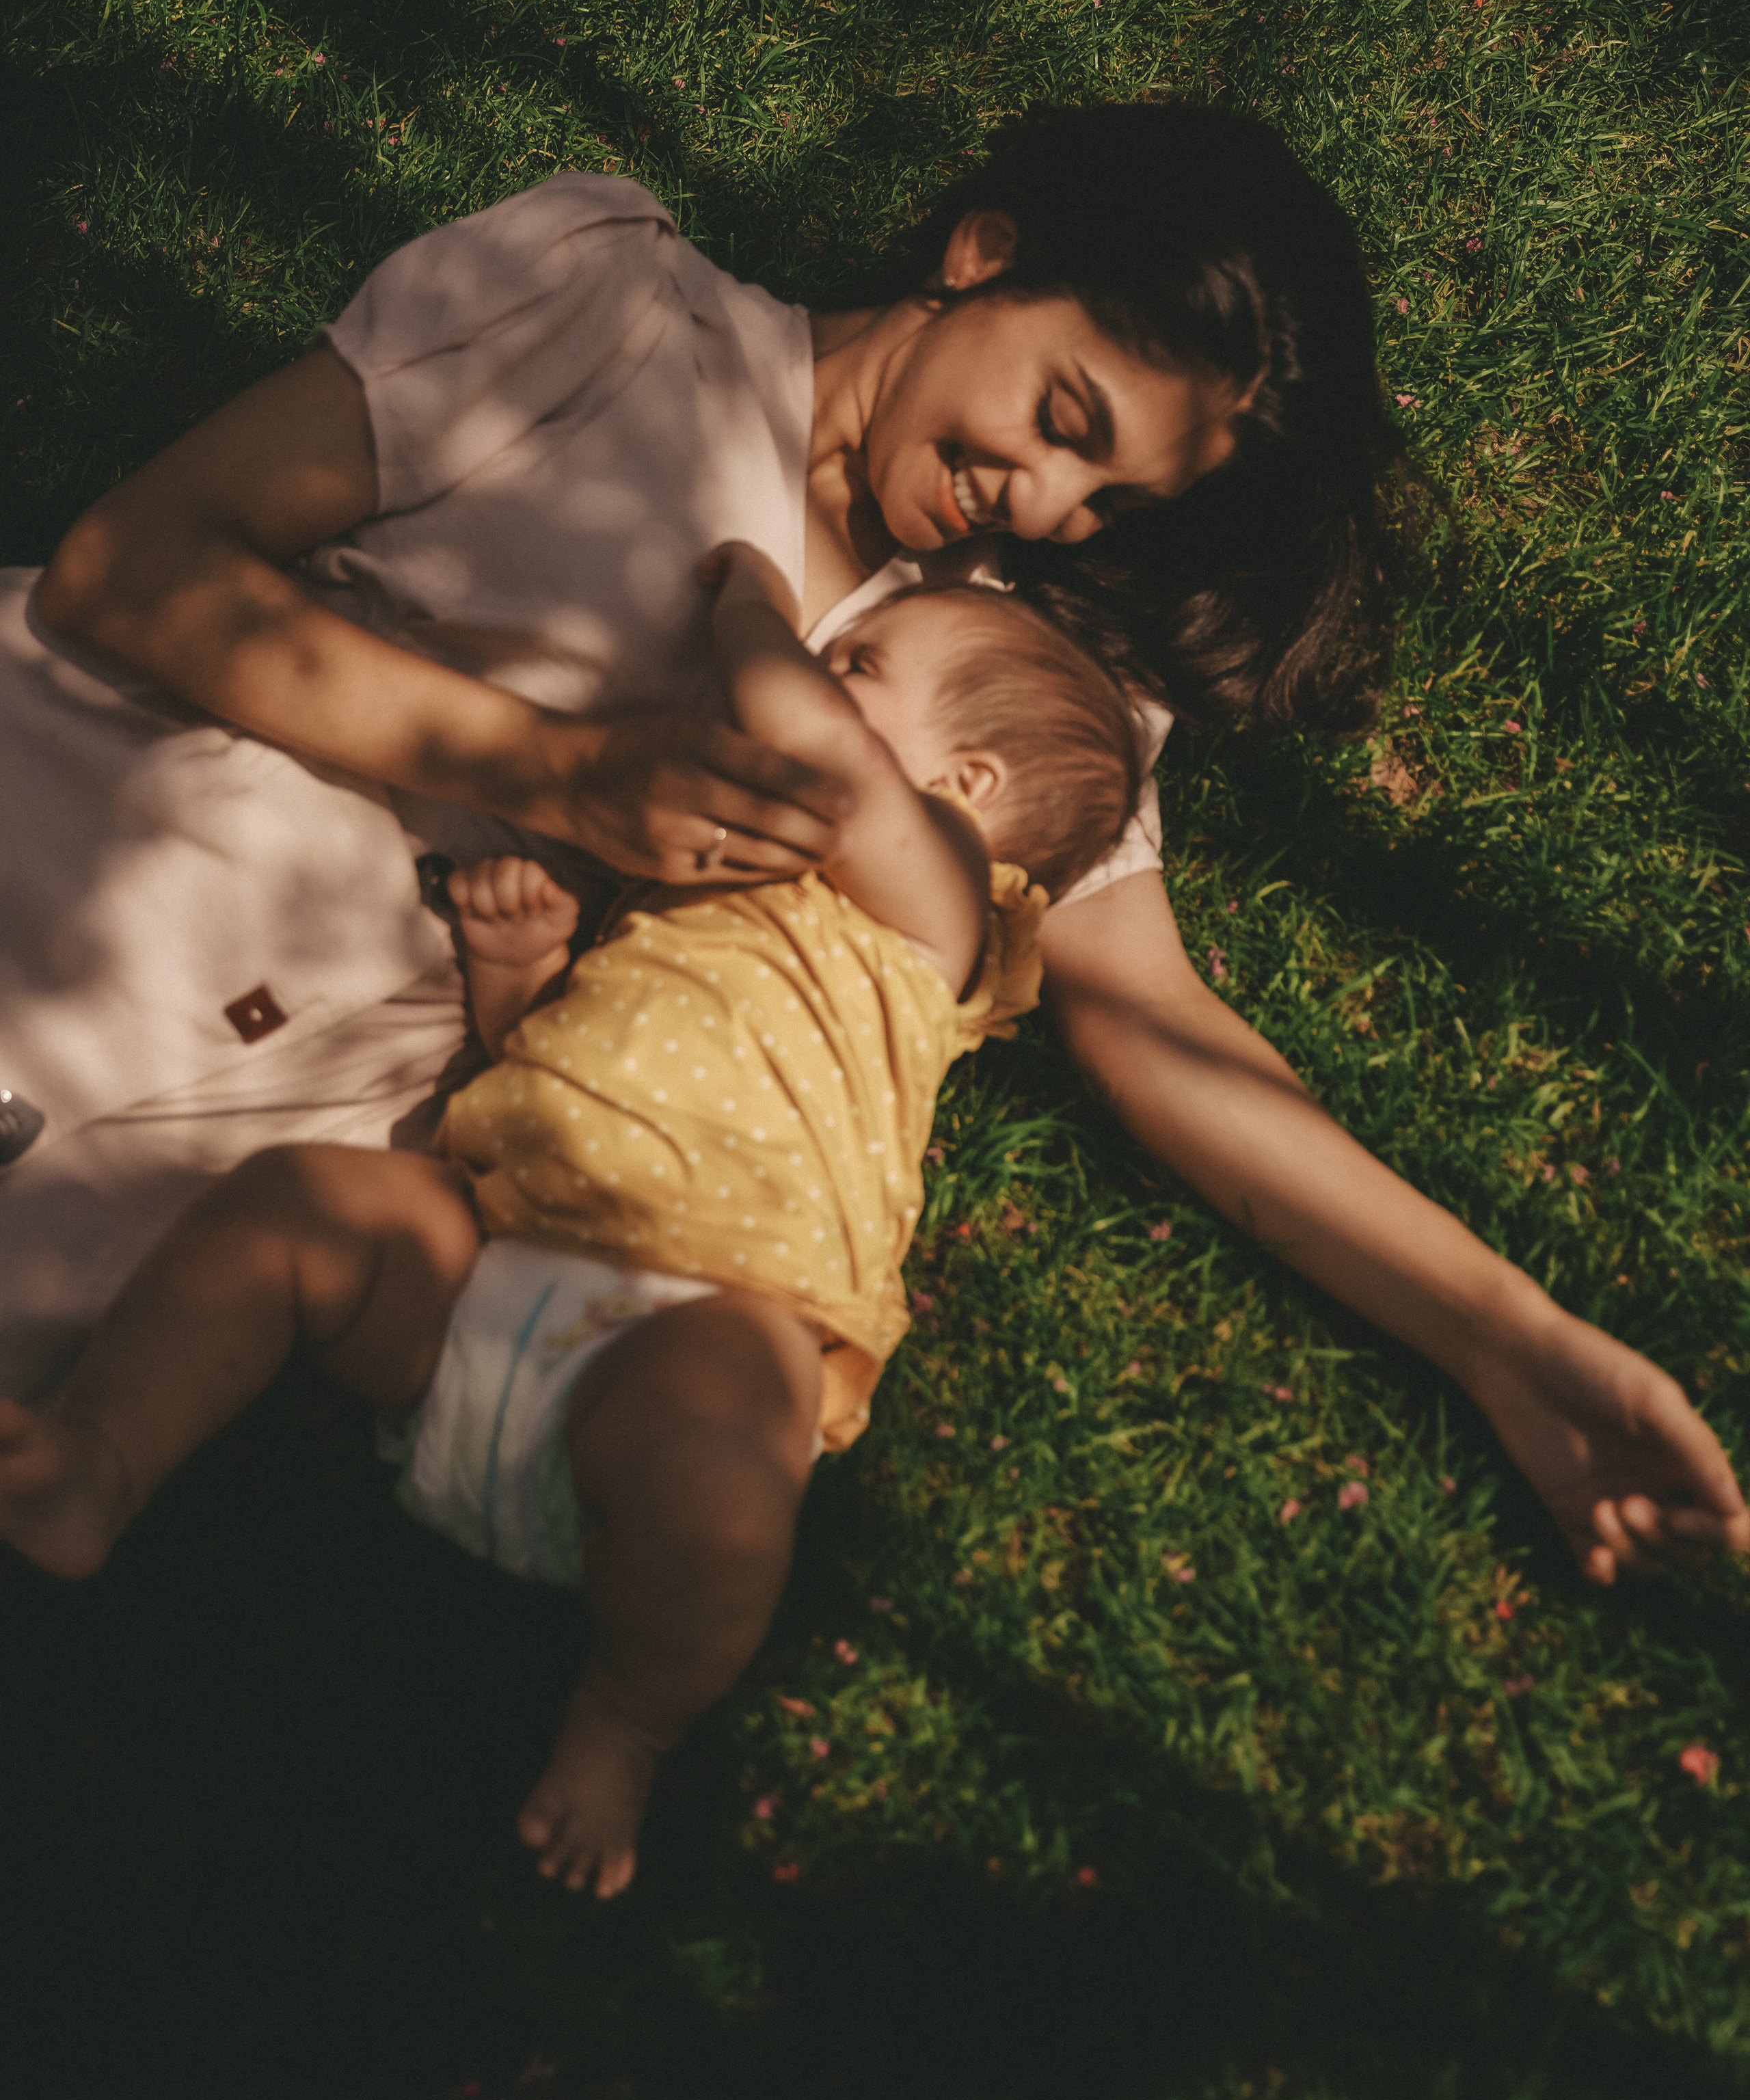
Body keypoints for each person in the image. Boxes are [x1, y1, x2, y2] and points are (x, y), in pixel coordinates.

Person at [3, 103, 1742, 1586]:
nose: (1048, 509)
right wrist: (558, 776)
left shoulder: (1009, 692)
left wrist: (1515, 1350)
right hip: (84, 811)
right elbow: (133, 563)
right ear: (980, 252)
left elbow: (1162, 1038)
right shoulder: (621, 313)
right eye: (1065, 421)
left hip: (231, 1132)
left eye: (1115, 503)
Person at [0, 547, 1135, 1898]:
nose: (814, 679)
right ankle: (98, 1466)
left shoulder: (940, 908)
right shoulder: (694, 884)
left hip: (699, 1331)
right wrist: (523, 968)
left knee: (727, 1451)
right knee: (302, 1205)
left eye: (861, 668)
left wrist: (754, 607)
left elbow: (818, 753)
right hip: (480, 1279)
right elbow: (555, 1063)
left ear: (960, 789)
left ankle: (626, 1719)